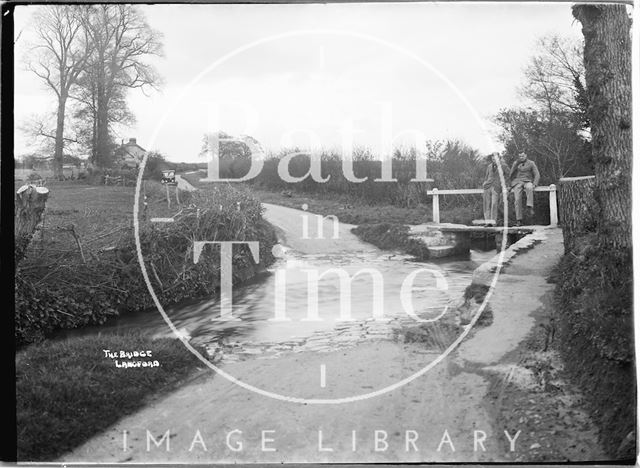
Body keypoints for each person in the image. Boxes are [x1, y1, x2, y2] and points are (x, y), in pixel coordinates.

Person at [509, 152, 540, 226]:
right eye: (520, 156)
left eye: (523, 156)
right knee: (517, 200)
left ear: (526, 155)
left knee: (529, 187)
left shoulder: (531, 163)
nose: (521, 157)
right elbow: (511, 174)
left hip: (528, 181)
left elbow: (537, 174)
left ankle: (530, 206)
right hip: (518, 182)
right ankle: (519, 220)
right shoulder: (516, 163)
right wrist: (510, 185)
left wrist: (535, 184)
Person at [482, 153, 509, 225]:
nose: (494, 160)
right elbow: (486, 176)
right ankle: (487, 222)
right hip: (487, 187)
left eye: (496, 159)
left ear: (499, 159)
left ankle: (493, 222)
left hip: (496, 187)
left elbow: (509, 176)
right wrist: (485, 183)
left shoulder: (504, 166)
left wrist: (505, 185)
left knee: (494, 204)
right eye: (493, 159)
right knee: (486, 204)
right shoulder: (489, 166)